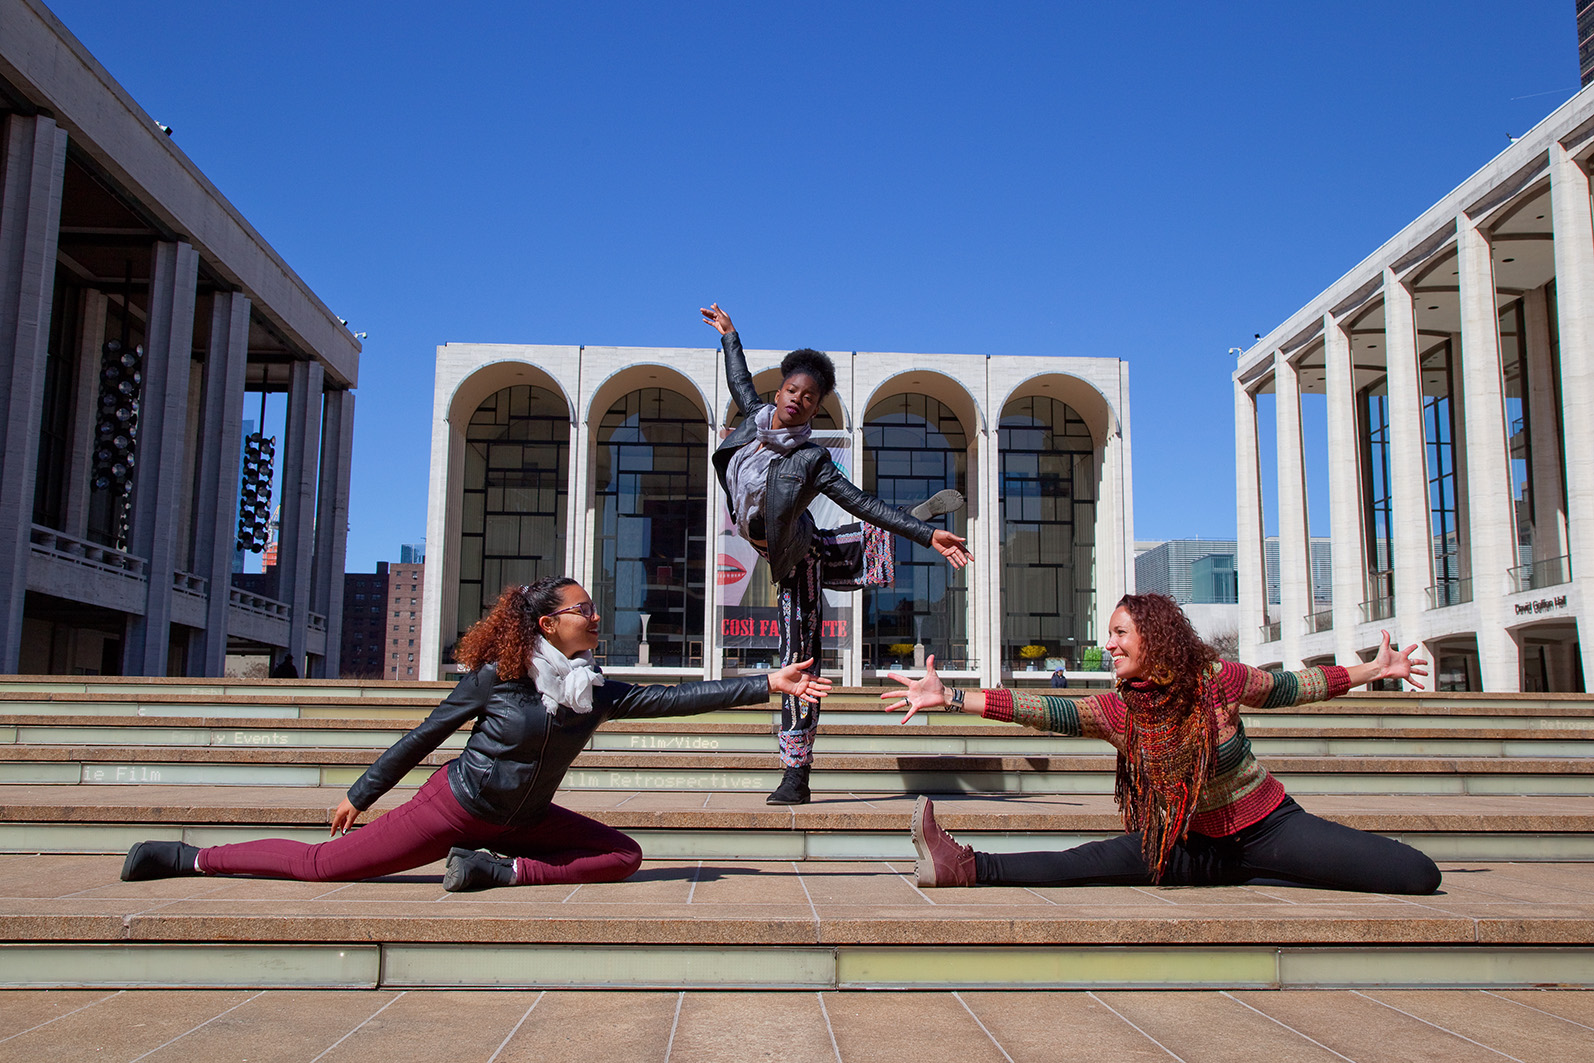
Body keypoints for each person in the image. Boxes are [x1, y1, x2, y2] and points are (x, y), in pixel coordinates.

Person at [119, 577, 829, 891]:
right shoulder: (499, 677)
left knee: (623, 854)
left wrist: (767, 682)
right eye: (583, 608)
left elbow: (675, 698)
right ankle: (189, 857)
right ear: (548, 623)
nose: (594, 615)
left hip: (525, 822)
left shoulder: (593, 690)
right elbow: (425, 735)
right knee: (322, 867)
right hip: (454, 808)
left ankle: (497, 872)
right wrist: (361, 792)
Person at [883, 593, 1442, 895]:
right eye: (1109, 634)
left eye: (1120, 633)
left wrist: (1373, 671)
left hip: (1270, 825)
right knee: (1087, 861)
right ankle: (963, 866)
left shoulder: (1216, 679)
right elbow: (1045, 709)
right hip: (1187, 841)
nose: (1109, 645)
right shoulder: (1119, 710)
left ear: (1154, 636)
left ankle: (1254, 868)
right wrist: (952, 696)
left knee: (1417, 875)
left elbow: (1291, 687)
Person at [701, 303, 973, 805]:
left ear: (816, 409)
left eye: (809, 398)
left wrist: (926, 537)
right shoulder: (753, 419)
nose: (797, 401)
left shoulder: (811, 458)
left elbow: (860, 502)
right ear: (779, 392)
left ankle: (796, 774)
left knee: (798, 667)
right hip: (792, 545)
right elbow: (739, 379)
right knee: (842, 548)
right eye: (792, 391)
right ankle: (910, 521)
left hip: (797, 558)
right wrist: (730, 335)